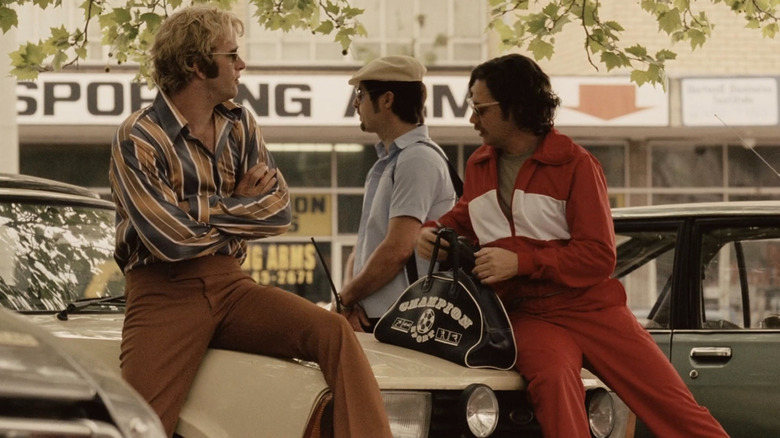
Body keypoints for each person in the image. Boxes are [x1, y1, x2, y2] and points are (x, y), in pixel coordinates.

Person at [108, 5, 392, 438]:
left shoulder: (240, 124)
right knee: (140, 427)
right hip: (163, 291)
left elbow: (278, 210)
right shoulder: (138, 135)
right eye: (231, 55)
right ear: (196, 65)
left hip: (232, 285)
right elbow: (168, 239)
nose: (241, 64)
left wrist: (203, 208)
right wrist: (239, 202)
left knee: (333, 331)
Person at [416, 54, 728, 438]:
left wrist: (522, 261)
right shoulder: (479, 165)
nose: (472, 120)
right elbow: (464, 217)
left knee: (672, 405)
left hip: (593, 309)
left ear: (514, 107)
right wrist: (433, 232)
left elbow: (599, 256)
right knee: (554, 383)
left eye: (480, 109)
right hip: (526, 316)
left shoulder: (576, 165)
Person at [338, 56, 458, 332]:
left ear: (387, 99)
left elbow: (397, 249)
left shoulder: (417, 159)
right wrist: (355, 299)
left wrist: (344, 300)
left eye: (361, 94)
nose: (356, 103)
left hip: (406, 319)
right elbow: (371, 243)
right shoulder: (393, 160)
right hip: (385, 315)